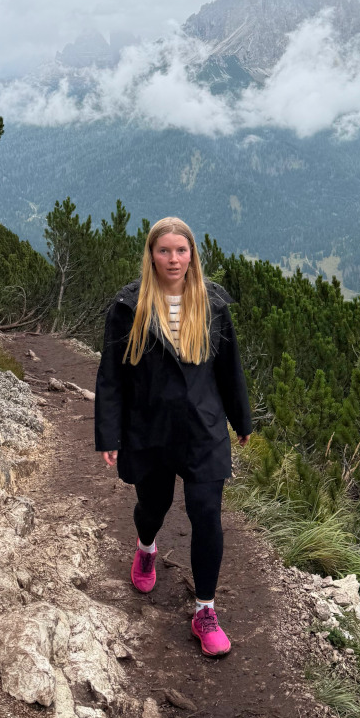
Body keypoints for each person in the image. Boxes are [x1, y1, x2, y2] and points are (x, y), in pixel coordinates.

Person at [94, 217, 252, 656]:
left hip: (203, 429)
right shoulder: (129, 308)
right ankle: (146, 546)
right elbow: (111, 376)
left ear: (192, 255)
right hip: (150, 430)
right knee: (153, 506)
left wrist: (242, 420)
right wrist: (109, 433)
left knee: (206, 515)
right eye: (164, 251)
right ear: (151, 255)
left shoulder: (212, 304)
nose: (174, 259)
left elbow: (229, 368)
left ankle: (205, 611)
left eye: (181, 251)